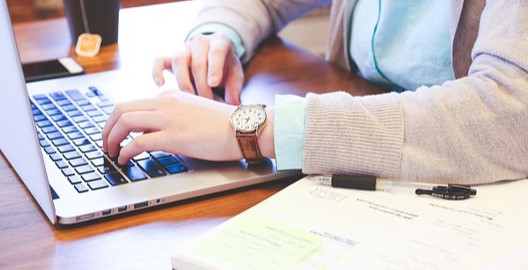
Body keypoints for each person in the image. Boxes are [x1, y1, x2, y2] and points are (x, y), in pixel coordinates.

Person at [102, 0, 528, 185]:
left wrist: (254, 128)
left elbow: (510, 114)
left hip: (469, 186)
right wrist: (217, 37)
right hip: (361, 166)